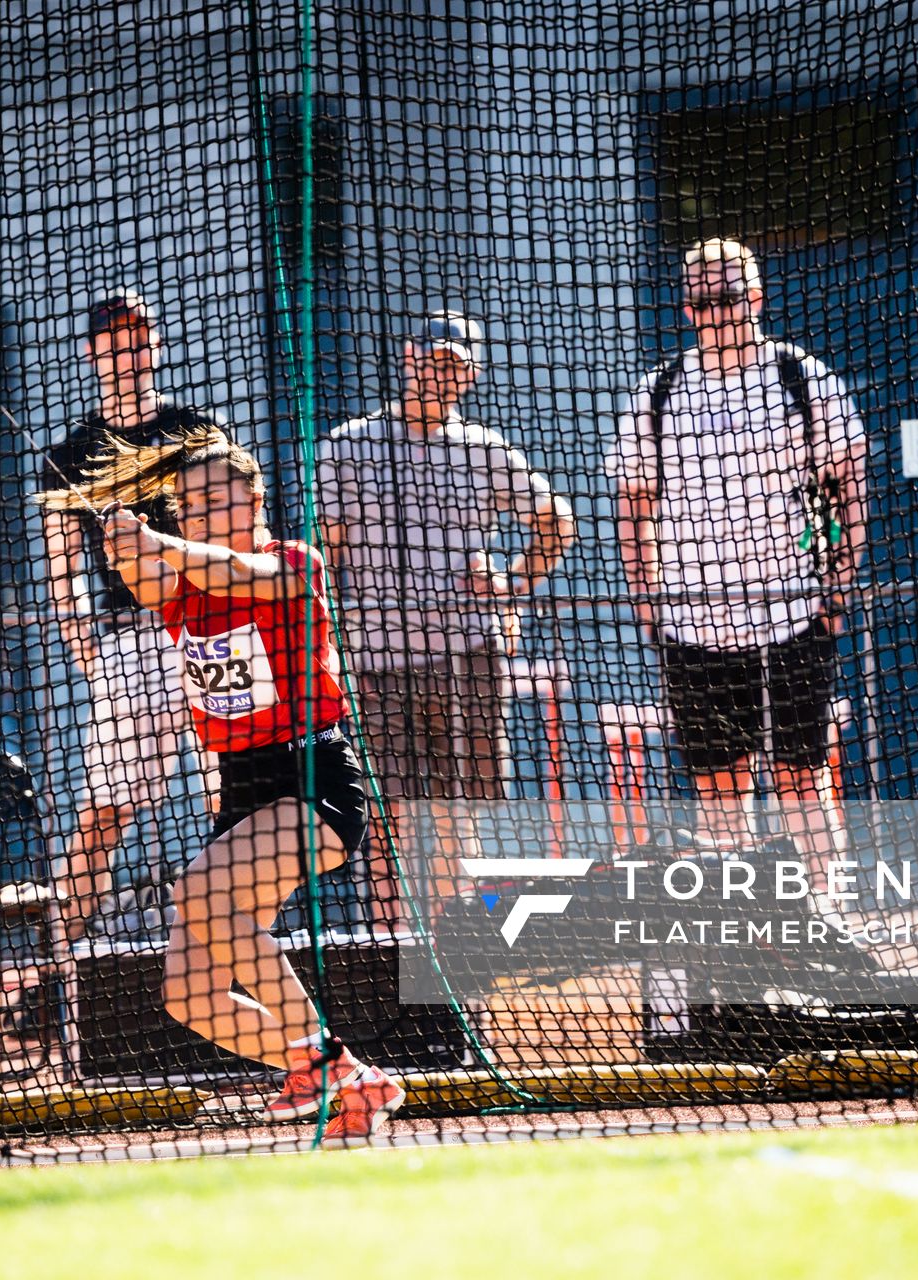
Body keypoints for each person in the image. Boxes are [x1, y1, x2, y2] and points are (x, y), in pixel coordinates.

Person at [52, 424, 404, 1146]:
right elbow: (154, 581)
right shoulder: (182, 581)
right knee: (191, 996)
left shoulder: (294, 564)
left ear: (254, 497)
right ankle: (347, 1074)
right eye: (190, 505)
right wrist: (125, 546)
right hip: (243, 788)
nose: (203, 512)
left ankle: (324, 1066)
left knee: (200, 892)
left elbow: (230, 574)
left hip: (313, 779)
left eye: (216, 498)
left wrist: (164, 543)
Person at [607, 237, 867, 883]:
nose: (715, 311)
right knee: (719, 785)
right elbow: (634, 498)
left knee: (801, 775)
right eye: (701, 301)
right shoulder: (660, 392)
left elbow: (849, 485)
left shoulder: (800, 377)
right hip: (696, 623)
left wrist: (839, 587)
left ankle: (822, 909)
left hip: (793, 612)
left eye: (727, 297)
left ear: (755, 298)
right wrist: (646, 597)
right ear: (687, 308)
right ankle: (745, 925)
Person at [317, 311, 577, 925]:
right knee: (385, 812)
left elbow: (557, 520)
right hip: (377, 663)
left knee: (459, 813)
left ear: (472, 375)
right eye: (434, 360)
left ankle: (456, 952)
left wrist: (513, 583)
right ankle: (389, 949)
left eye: (456, 366)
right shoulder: (347, 444)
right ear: (408, 358)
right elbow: (325, 554)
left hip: (466, 656)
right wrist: (332, 651)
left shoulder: (485, 450)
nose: (442, 375)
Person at [39, 293, 221, 938]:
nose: (129, 350)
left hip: (209, 632)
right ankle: (59, 964)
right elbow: (62, 571)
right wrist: (86, 652)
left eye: (140, 337)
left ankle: (248, 940)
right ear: (92, 353)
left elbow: (234, 529)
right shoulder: (71, 455)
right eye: (115, 340)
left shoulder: (196, 431)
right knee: (104, 813)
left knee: (233, 794)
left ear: (156, 345)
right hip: (130, 644)